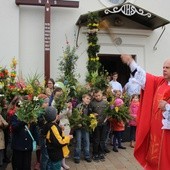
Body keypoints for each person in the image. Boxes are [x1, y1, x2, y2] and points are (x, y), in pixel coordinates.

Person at [121, 54, 170, 170]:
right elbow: (144, 78)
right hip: (155, 131)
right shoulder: (160, 82)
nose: (164, 69)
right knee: (154, 158)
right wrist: (131, 62)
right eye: (163, 67)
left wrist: (168, 107)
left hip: (167, 134)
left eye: (167, 68)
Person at [90, 89, 108, 162]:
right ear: (94, 96)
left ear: (102, 95)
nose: (97, 97)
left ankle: (101, 152)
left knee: (102, 139)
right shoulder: (92, 103)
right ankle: (95, 153)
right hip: (96, 125)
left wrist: (108, 116)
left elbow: (109, 112)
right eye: (96, 96)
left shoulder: (105, 103)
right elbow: (89, 113)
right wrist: (92, 114)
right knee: (96, 139)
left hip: (104, 124)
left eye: (99, 95)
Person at [73, 94, 92, 164]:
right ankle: (77, 156)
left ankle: (87, 156)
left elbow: (90, 115)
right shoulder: (79, 106)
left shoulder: (89, 107)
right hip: (79, 127)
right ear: (83, 98)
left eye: (89, 99)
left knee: (87, 141)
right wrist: (78, 122)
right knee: (78, 141)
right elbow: (75, 116)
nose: (88, 100)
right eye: (87, 98)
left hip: (85, 126)